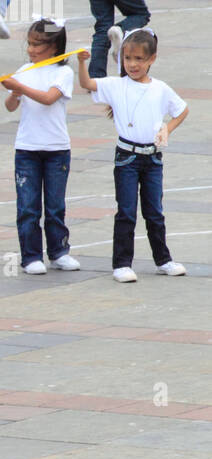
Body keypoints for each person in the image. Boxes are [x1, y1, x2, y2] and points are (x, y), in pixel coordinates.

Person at [76, 28, 189, 284]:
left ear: (152, 59)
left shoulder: (160, 89)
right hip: (126, 157)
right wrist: (82, 63)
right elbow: (86, 84)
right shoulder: (116, 85)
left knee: (155, 212)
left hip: (153, 159)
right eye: (128, 59)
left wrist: (166, 128)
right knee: (126, 211)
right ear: (121, 59)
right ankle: (122, 264)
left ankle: (163, 260)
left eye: (139, 59)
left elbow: (182, 110)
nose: (133, 64)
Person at [0, 20, 80, 276]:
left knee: (55, 206)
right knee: (28, 206)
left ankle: (59, 252)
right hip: (27, 149)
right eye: (30, 44)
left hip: (57, 149)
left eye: (37, 44)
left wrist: (19, 87)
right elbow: (10, 106)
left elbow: (48, 99)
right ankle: (31, 256)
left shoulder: (63, 72)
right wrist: (14, 92)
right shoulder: (24, 69)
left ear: (54, 46)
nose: (31, 50)